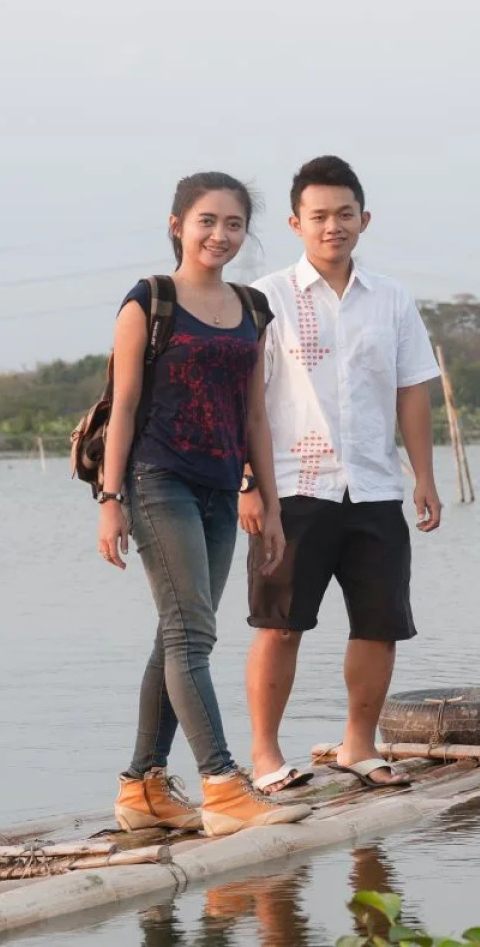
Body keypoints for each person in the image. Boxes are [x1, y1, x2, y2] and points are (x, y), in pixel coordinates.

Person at [97, 172, 311, 836]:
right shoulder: (149, 301)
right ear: (177, 225)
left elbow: (255, 417)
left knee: (177, 634)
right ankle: (222, 784)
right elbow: (124, 403)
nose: (220, 235)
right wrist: (110, 499)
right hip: (158, 479)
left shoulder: (251, 309)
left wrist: (268, 502)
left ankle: (142, 788)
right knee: (192, 634)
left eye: (234, 224)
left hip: (223, 485)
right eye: (207, 221)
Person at [240, 155, 442, 793]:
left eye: (345, 214)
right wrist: (249, 484)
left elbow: (412, 390)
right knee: (281, 623)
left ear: (365, 219)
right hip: (293, 487)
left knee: (381, 623)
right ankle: (266, 757)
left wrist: (424, 477)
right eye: (319, 215)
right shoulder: (265, 297)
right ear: (297, 223)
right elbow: (243, 398)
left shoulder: (392, 298)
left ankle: (360, 745)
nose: (334, 226)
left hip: (375, 486)